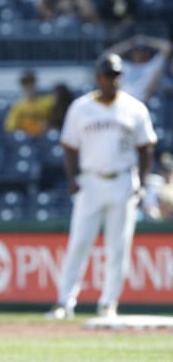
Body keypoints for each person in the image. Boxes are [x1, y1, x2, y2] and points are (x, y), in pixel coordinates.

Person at [45, 54, 157, 320]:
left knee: (118, 247)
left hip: (122, 181)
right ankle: (64, 301)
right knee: (79, 243)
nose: (112, 80)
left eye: (116, 75)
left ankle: (109, 303)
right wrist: (73, 177)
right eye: (108, 75)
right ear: (98, 78)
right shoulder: (81, 107)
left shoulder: (134, 108)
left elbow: (146, 148)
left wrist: (141, 181)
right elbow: (70, 146)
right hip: (91, 181)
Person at [99, 34, 172, 102]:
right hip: (121, 102)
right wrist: (131, 43)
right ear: (132, 52)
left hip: (142, 102)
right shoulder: (124, 65)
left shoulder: (151, 65)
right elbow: (106, 55)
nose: (139, 54)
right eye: (137, 51)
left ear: (147, 52)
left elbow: (167, 47)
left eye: (142, 51)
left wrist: (147, 41)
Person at [4, 69, 55, 137]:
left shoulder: (48, 103)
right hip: (26, 138)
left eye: (31, 83)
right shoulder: (17, 106)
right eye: (25, 84)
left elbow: (54, 123)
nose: (28, 86)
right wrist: (30, 127)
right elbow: (10, 127)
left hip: (43, 137)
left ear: (35, 84)